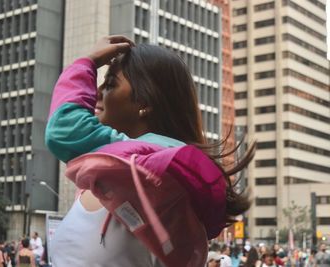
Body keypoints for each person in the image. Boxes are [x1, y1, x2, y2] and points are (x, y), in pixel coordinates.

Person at [46, 35, 255, 267]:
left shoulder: (156, 176)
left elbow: (64, 130)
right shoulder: (115, 174)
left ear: (144, 102)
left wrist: (87, 62)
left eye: (111, 84)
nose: (97, 93)